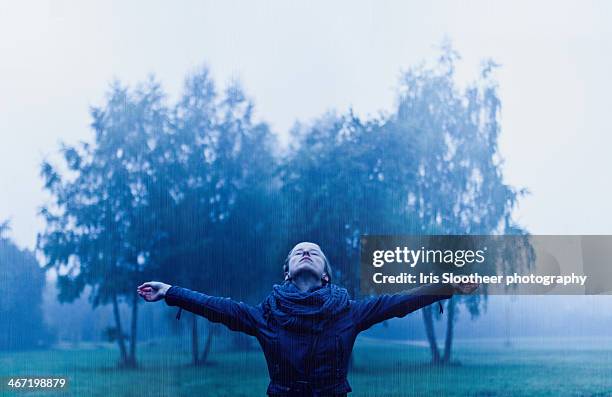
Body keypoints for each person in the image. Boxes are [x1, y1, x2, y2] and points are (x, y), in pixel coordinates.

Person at [138, 241, 478, 397]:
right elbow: (217, 306)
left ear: (325, 275)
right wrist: (170, 291)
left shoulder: (349, 313)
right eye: (299, 251)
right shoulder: (265, 316)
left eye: (314, 252)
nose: (306, 252)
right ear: (286, 271)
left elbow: (399, 302)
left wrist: (446, 285)